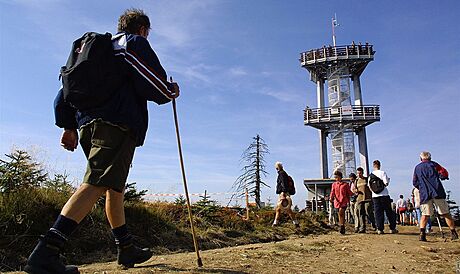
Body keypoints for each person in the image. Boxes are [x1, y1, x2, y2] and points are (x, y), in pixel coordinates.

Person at [25, 9, 180, 273]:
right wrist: (169, 90)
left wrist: (68, 126)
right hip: (115, 122)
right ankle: (46, 252)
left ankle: (126, 248)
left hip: (86, 124)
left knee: (113, 187)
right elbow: (151, 79)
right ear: (143, 29)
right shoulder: (129, 43)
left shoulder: (94, 52)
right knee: (98, 181)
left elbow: (63, 93)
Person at [413, 151, 458, 241]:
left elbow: (415, 182)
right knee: (445, 213)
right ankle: (453, 233)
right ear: (430, 158)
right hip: (437, 192)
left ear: (421, 158)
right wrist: (441, 177)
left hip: (425, 193)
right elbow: (444, 173)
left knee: (425, 215)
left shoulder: (417, 167)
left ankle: (422, 234)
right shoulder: (435, 165)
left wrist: (421, 187)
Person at [369, 160, 398, 235]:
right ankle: (392, 228)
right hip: (384, 195)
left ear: (373, 165)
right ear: (379, 165)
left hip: (375, 196)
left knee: (378, 213)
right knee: (389, 212)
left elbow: (369, 186)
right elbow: (386, 183)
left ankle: (380, 229)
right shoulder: (383, 173)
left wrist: (375, 191)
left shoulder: (370, 175)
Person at [273, 162, 299, 228]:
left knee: (286, 209)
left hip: (283, 193)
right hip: (284, 193)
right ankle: (275, 223)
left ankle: (295, 223)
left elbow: (284, 184)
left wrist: (283, 193)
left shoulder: (281, 174)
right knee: (280, 209)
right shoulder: (283, 173)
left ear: (277, 168)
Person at [353, 167, 376, 233]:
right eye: (358, 173)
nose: (359, 174)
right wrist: (356, 191)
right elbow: (354, 189)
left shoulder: (366, 179)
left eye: (360, 173)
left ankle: (374, 224)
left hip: (367, 198)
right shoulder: (356, 181)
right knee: (361, 213)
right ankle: (362, 228)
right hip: (359, 199)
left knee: (368, 212)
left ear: (362, 173)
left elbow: (371, 188)